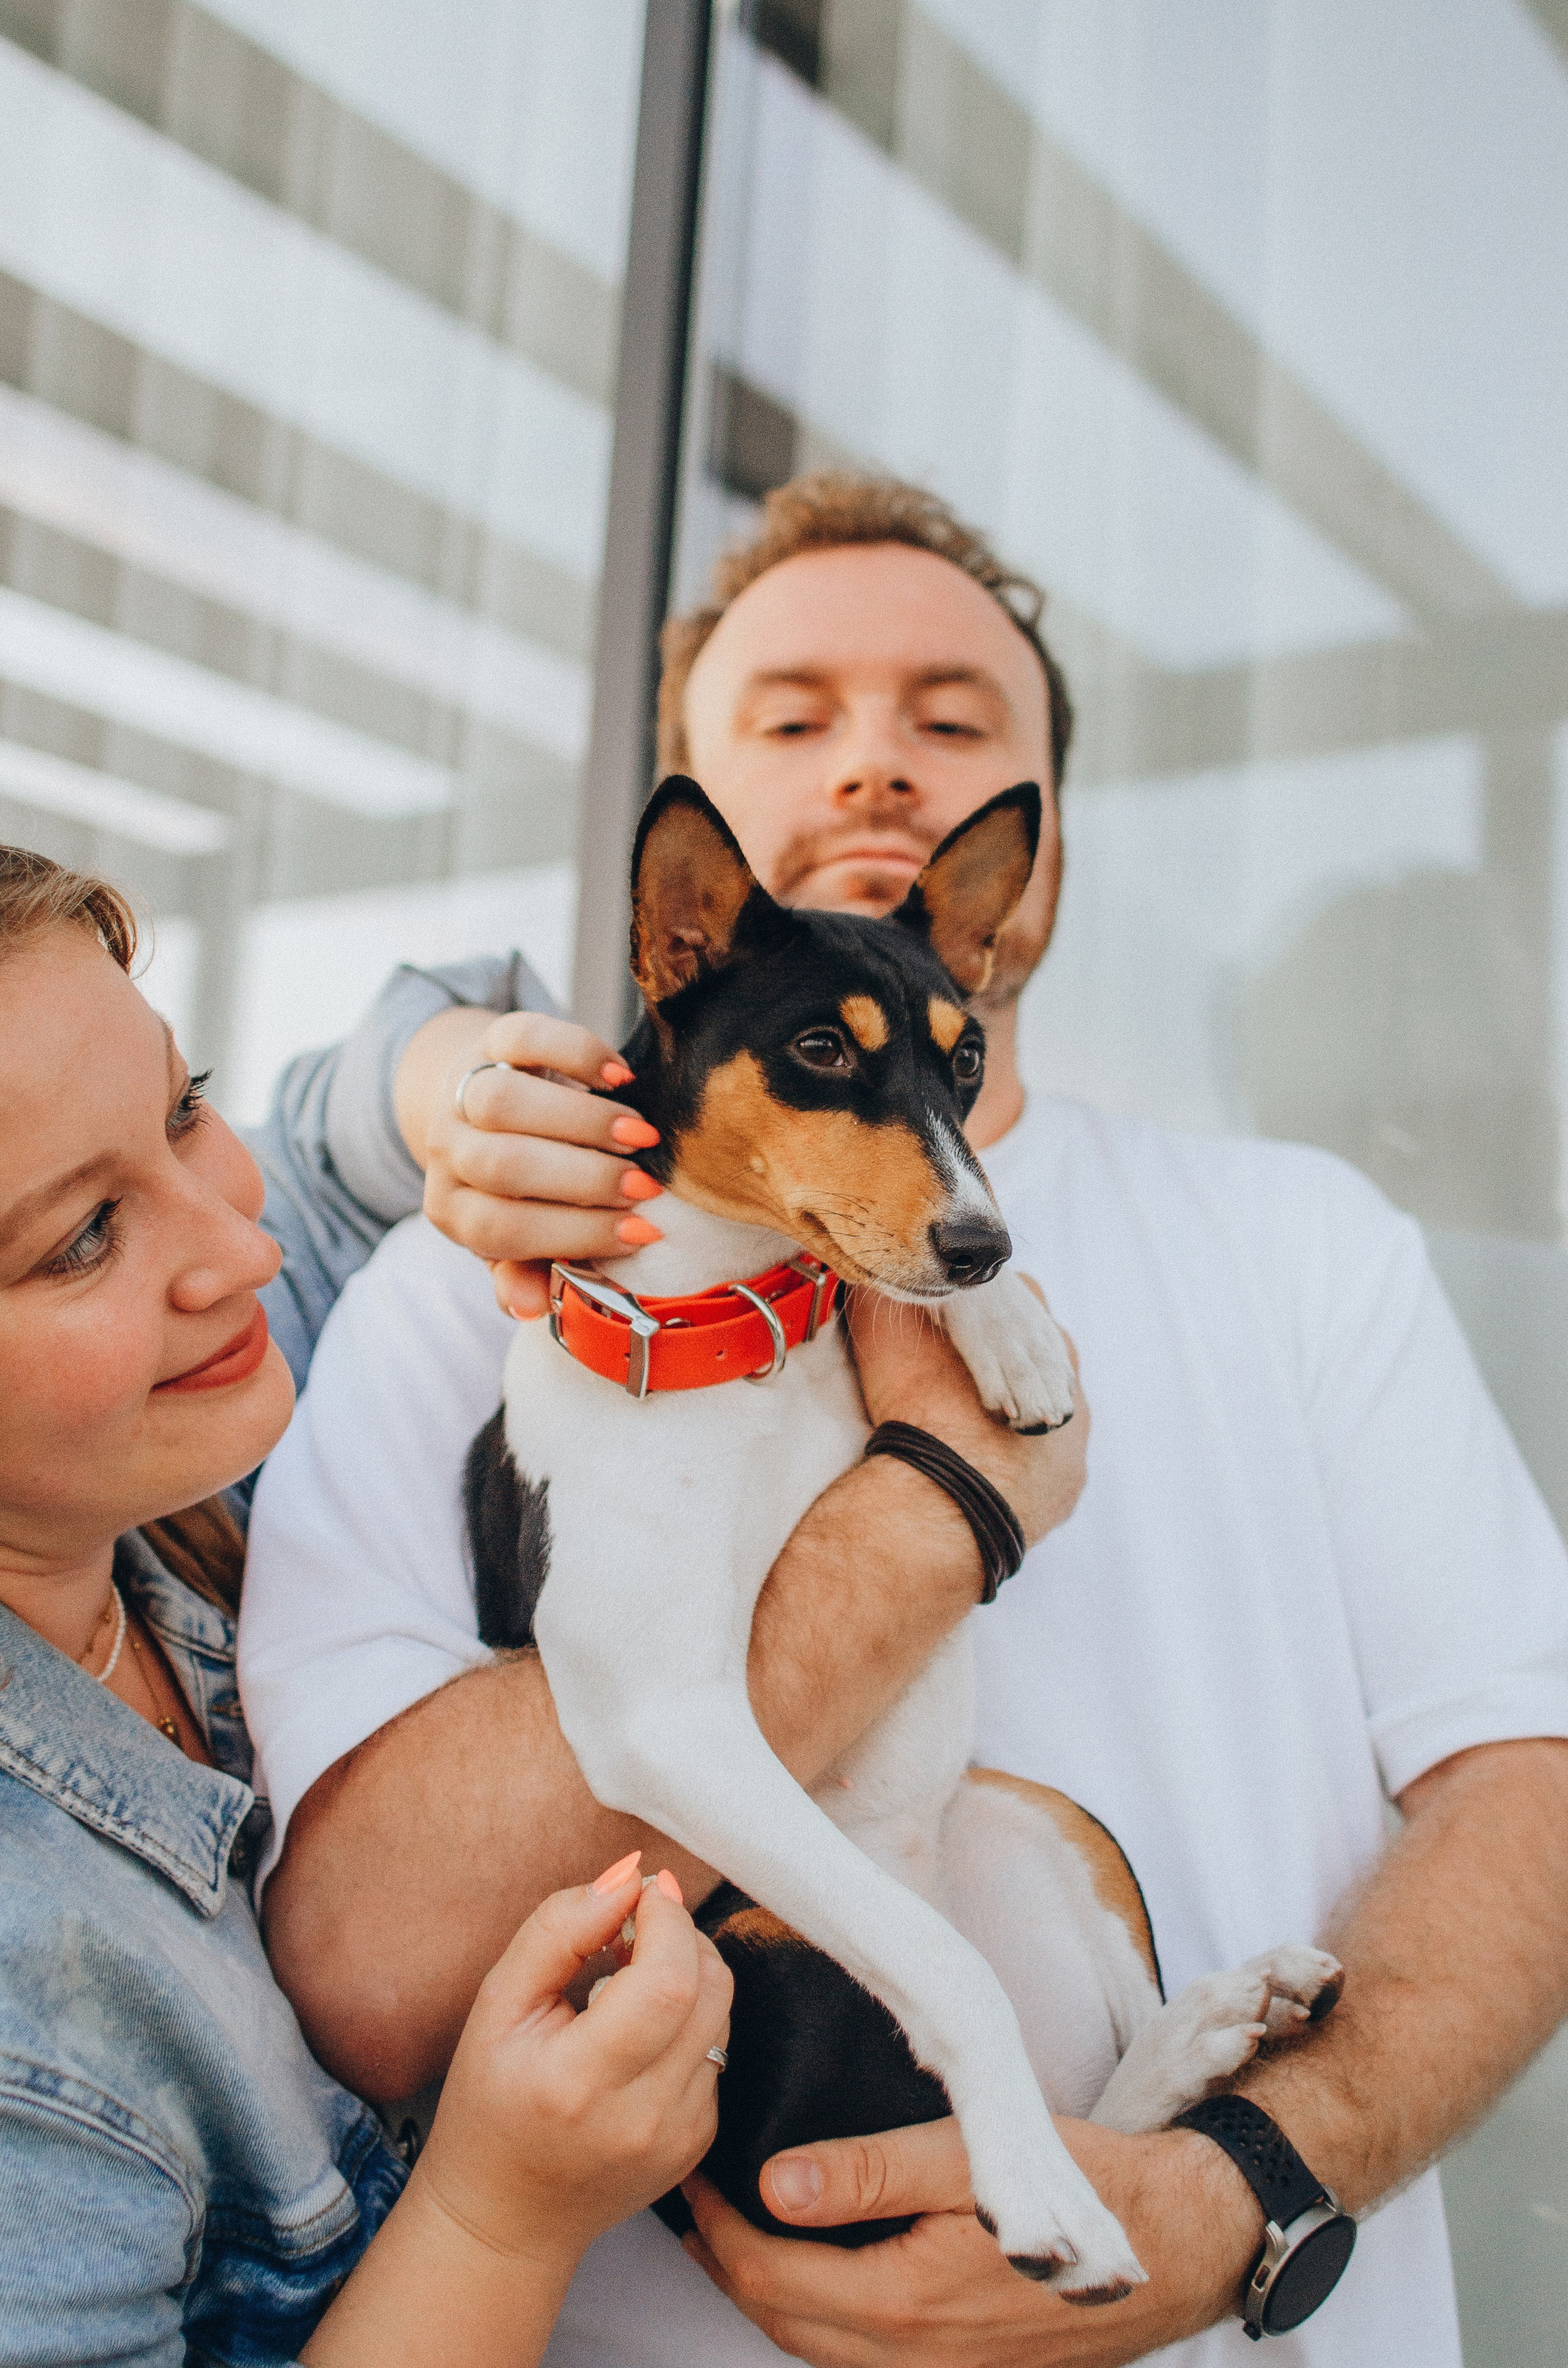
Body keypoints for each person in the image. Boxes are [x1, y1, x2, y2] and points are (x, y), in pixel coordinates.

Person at [237, 475, 1568, 2367]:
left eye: (951, 720)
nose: (874, 767)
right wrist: (942, 1501)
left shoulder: (1306, 1243)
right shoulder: (477, 1289)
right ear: (683, 890)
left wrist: (1244, 2187)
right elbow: (369, 1970)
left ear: (1029, 869)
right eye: (792, 720)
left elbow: (1531, 1791)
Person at [0, 847, 733, 2366]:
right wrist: (495, 2213)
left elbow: (355, 1131)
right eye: (79, 1239)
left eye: (184, 1103)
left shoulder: (182, 1446)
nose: (241, 1247)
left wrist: (470, 1096)